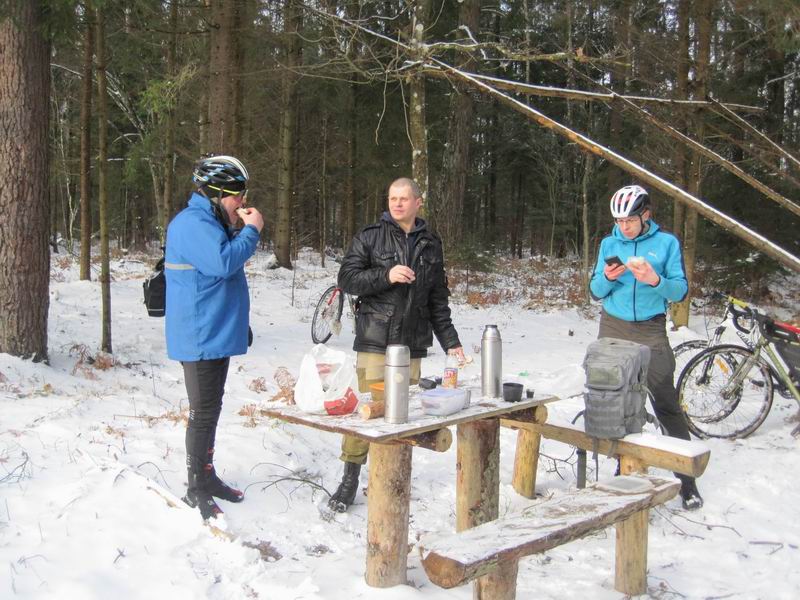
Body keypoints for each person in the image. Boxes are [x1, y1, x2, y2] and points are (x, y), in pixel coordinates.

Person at [327, 177, 466, 512]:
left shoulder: (431, 243)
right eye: (393, 198)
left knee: (401, 414)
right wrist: (386, 275)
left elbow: (437, 299)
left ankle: (390, 477)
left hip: (412, 344)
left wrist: (451, 342)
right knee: (367, 412)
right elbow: (346, 279)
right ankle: (350, 478)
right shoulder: (370, 236)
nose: (397, 203)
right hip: (375, 339)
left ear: (418, 202)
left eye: (404, 198)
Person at [590, 184, 703, 510]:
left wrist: (655, 280)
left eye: (629, 220)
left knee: (664, 401)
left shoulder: (666, 244)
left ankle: (686, 480)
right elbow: (595, 290)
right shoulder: (609, 243)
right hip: (613, 325)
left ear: (646, 215)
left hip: (651, 329)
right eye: (619, 220)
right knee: (618, 400)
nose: (623, 226)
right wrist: (609, 278)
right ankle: (624, 466)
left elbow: (679, 291)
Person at [165, 155, 264, 520]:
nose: (242, 202)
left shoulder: (208, 220)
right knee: (202, 413)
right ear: (218, 193)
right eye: (237, 195)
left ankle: (207, 477)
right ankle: (195, 488)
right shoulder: (192, 223)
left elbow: (218, 270)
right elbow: (223, 263)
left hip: (214, 328)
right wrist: (252, 231)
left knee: (211, 410)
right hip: (200, 333)